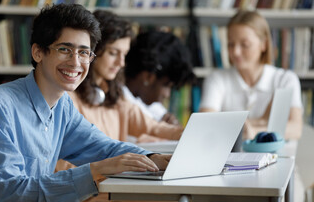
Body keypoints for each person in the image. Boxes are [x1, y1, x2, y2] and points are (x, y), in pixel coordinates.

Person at [0, 4, 171, 201]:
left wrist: (153, 158)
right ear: (38, 52)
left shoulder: (62, 106)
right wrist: (96, 170)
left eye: (84, 52)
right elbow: (11, 192)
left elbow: (101, 147)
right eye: (65, 49)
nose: (76, 62)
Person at [63, 10, 183, 145]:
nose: (121, 63)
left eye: (124, 54)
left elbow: (153, 127)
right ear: (93, 50)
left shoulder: (116, 97)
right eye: (113, 53)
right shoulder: (67, 97)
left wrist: (186, 133)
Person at [199, 10, 303, 140]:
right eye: (231, 44)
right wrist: (261, 120)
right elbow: (204, 125)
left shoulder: (285, 79)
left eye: (245, 45)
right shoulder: (216, 79)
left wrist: (255, 131)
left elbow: (295, 129)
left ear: (263, 44)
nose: (236, 52)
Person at [124, 31, 196, 125]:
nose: (167, 95)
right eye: (167, 85)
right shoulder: (120, 102)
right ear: (148, 77)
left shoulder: (149, 103)